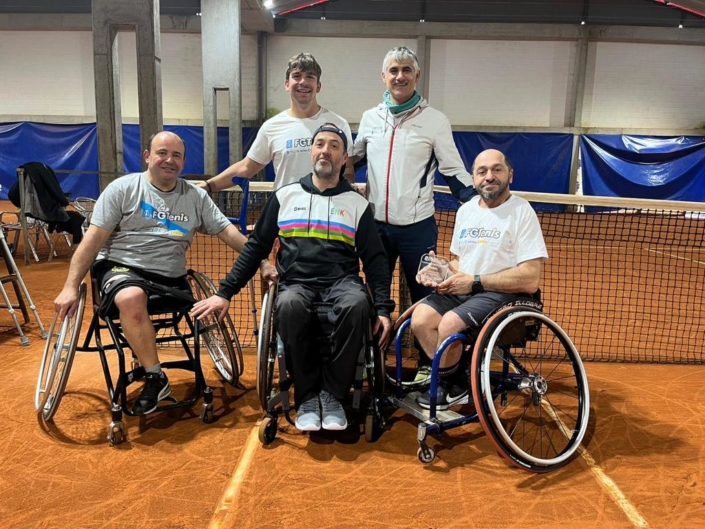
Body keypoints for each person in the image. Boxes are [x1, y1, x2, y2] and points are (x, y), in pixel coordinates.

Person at [53, 131, 274, 415]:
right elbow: (93, 240)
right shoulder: (122, 189)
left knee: (142, 298)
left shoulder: (195, 196)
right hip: (122, 267)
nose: (169, 160)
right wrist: (70, 285)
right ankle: (156, 377)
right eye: (162, 153)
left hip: (170, 277)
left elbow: (228, 232)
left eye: (176, 155)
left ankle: (145, 357)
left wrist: (261, 261)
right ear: (147, 156)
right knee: (131, 297)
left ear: (183, 162)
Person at [191, 124, 394, 432]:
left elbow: (376, 260)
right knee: (287, 306)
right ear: (312, 152)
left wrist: (382, 309)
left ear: (344, 158)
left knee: (357, 305)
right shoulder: (285, 196)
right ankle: (308, 396)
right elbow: (256, 248)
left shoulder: (358, 204)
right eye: (320, 144)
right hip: (296, 282)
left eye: (334, 146)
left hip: (342, 283)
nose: (325, 150)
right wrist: (225, 292)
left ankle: (333, 396)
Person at [351, 45, 476, 382]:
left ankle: (426, 365)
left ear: (417, 76)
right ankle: (372, 363)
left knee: (426, 298)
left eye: (406, 70)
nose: (400, 76)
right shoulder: (370, 118)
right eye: (393, 70)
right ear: (383, 76)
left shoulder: (435, 121)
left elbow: (453, 171)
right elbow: (351, 160)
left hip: (417, 229)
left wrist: (480, 203)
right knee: (375, 296)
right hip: (375, 228)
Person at [411, 149, 548, 410]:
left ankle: (448, 384)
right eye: (482, 171)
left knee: (450, 324)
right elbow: (460, 262)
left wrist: (475, 281)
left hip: (504, 295)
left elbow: (530, 278)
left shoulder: (521, 211)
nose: (489, 176)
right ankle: (457, 380)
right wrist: (441, 269)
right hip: (467, 290)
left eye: (497, 169)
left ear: (510, 175)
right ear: (473, 179)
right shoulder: (466, 211)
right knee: (421, 319)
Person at [201, 52, 354, 192]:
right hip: (286, 210)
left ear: (318, 86)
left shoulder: (338, 124)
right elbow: (246, 167)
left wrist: (348, 195)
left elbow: (348, 169)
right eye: (297, 76)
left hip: (327, 210)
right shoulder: (271, 127)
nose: (303, 82)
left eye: (310, 77)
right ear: (287, 84)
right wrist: (209, 185)